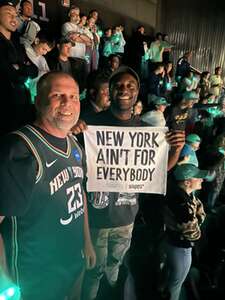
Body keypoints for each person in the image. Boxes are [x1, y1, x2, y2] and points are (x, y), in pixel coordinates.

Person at [72, 66, 185, 300]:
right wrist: (71, 131)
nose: (124, 89)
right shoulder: (89, 124)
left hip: (127, 219)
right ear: (110, 92)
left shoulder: (147, 131)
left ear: (137, 93)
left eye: (130, 86)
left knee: (116, 268)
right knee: (93, 272)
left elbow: (161, 170)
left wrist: (176, 148)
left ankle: (111, 293)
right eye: (118, 86)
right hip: (94, 218)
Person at [0, 71, 96, 300]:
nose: (67, 103)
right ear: (38, 100)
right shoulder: (20, 149)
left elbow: (78, 192)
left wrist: (87, 241)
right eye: (57, 95)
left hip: (72, 262)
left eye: (73, 96)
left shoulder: (73, 143)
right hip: (34, 277)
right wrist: (3, 278)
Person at [164, 164, 207, 300]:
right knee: (176, 284)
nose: (202, 180)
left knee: (170, 279)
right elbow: (194, 234)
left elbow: (199, 209)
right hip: (181, 249)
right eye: (198, 178)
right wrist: (197, 223)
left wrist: (197, 220)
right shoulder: (181, 204)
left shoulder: (183, 195)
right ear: (187, 182)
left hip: (172, 243)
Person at [0, 0, 38, 135]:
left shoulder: (18, 44)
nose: (13, 18)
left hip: (23, 104)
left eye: (15, 15)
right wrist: (21, 68)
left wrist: (18, 68)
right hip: (5, 107)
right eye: (8, 13)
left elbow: (34, 70)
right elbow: (7, 73)